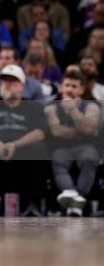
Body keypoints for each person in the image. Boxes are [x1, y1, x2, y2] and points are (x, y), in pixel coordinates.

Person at [0, 65, 49, 216]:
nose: (7, 84)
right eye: (4, 81)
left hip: (23, 147)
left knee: (39, 148)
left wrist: (14, 145)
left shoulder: (33, 105)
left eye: (13, 81)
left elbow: (40, 132)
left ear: (22, 85)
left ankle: (33, 203)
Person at [45, 70, 101, 216]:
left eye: (74, 86)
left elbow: (90, 129)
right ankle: (72, 195)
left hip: (86, 147)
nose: (70, 89)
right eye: (67, 85)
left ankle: (77, 200)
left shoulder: (91, 106)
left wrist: (74, 111)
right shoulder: (51, 107)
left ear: (82, 89)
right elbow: (56, 131)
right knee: (58, 161)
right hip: (62, 148)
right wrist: (82, 131)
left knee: (89, 159)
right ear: (61, 87)